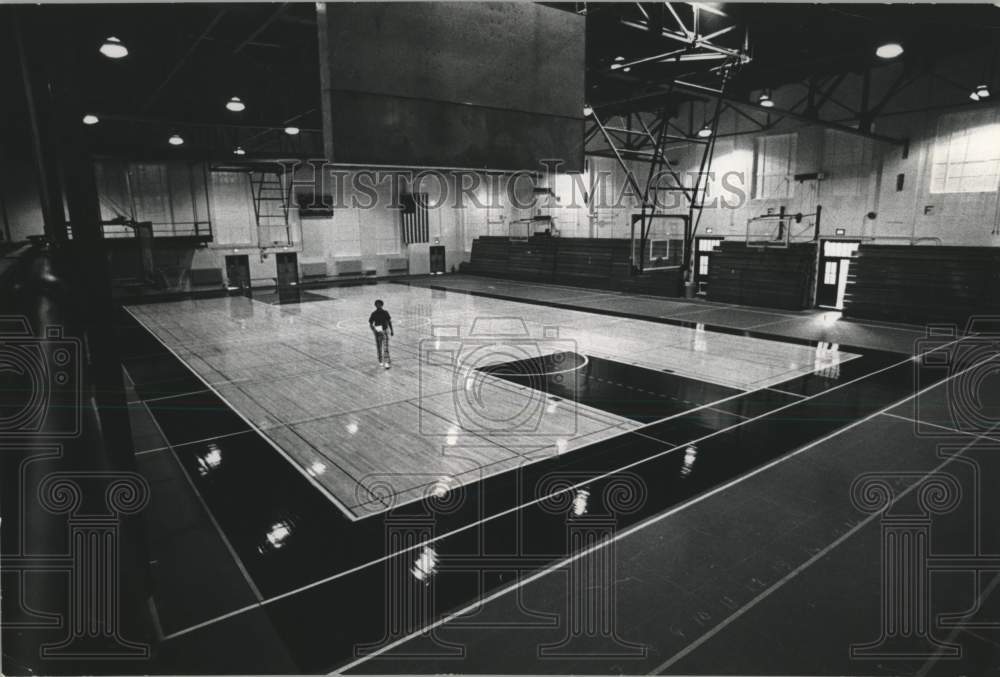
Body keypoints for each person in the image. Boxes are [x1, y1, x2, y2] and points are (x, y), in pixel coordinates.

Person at [368, 299, 394, 368]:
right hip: (378, 330)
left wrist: (391, 330)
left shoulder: (385, 312)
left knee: (385, 346)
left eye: (379, 304)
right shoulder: (374, 313)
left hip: (385, 330)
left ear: (382, 305)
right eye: (377, 304)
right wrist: (374, 330)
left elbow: (389, 321)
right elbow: (370, 323)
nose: (378, 305)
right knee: (379, 346)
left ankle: (387, 361)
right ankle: (380, 360)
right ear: (375, 305)